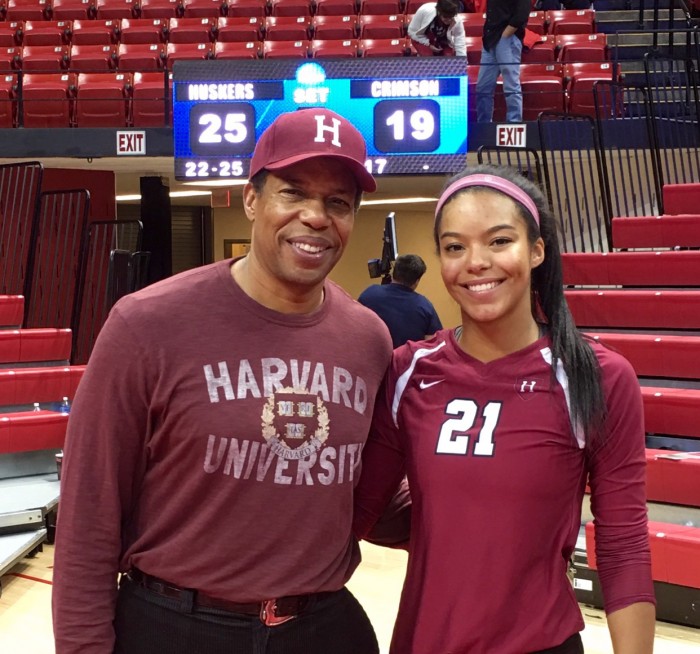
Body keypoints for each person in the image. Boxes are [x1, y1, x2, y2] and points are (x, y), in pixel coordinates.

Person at [52, 108, 395, 654]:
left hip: (322, 627)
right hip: (176, 625)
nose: (315, 217)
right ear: (252, 199)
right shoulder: (146, 324)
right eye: (293, 192)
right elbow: (89, 513)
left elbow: (369, 496)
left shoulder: (369, 340)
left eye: (338, 203)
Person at [353, 164, 656, 654]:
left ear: (537, 250)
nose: (476, 262)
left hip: (542, 643)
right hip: (424, 641)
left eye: (499, 241)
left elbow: (623, 547)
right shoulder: (407, 372)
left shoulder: (596, 376)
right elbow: (361, 512)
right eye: (455, 247)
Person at [358, 253, 443, 348]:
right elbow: (434, 346)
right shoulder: (425, 307)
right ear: (417, 281)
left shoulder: (369, 294)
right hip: (406, 362)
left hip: (371, 360)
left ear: (393, 272)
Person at [475, 0, 530, 123]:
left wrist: (505, 35)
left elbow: (522, 14)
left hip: (508, 38)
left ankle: (514, 125)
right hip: (490, 39)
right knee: (483, 87)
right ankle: (484, 125)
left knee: (511, 85)